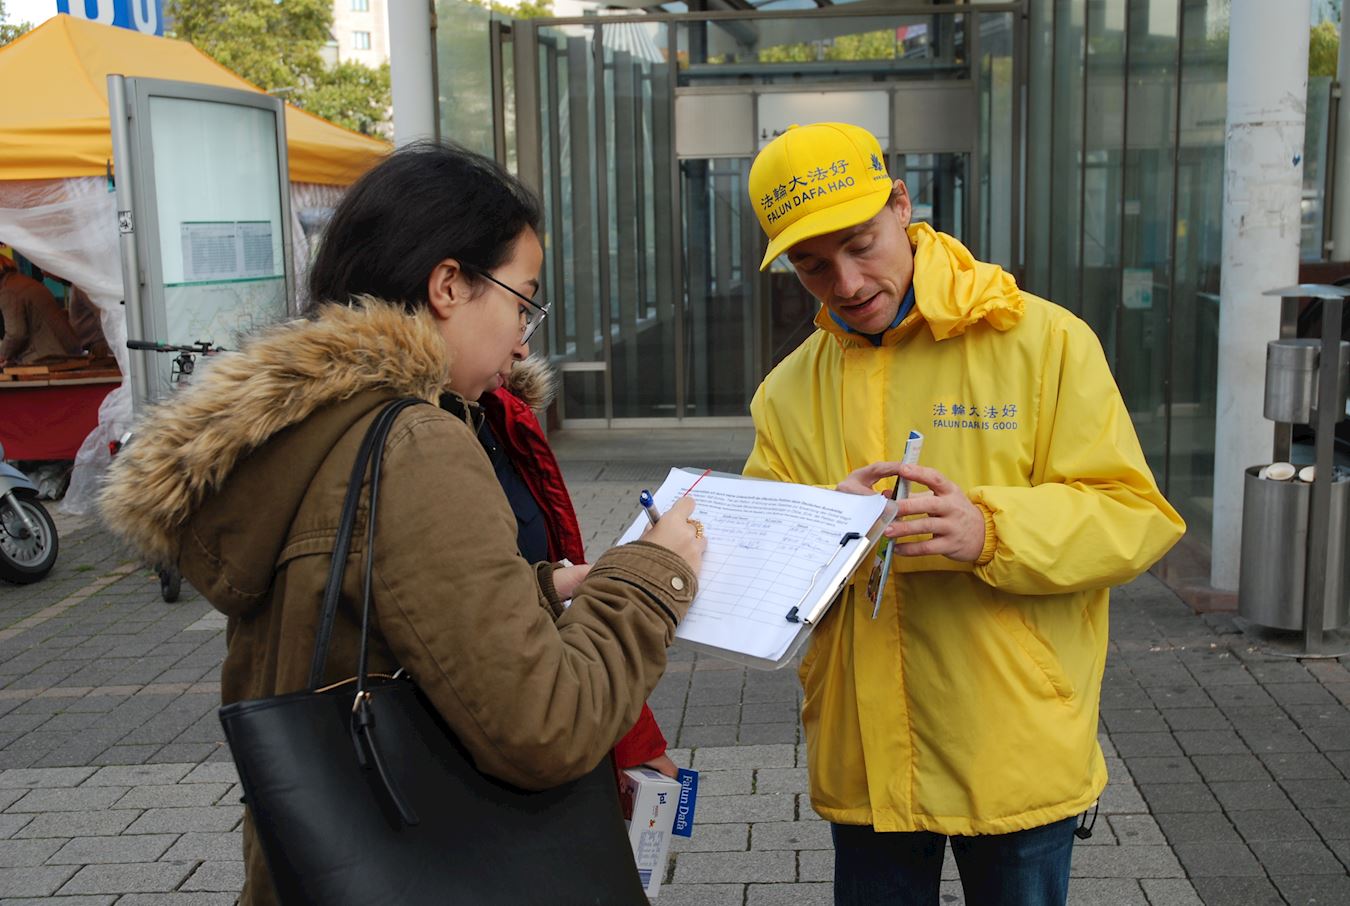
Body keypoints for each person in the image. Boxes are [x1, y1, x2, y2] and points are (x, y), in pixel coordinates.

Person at [99, 142, 707, 906]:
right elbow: (546, 725)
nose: (524, 339)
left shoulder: (311, 424)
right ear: (449, 285)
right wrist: (651, 576)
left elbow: (373, 606)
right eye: (522, 301)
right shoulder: (414, 441)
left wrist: (538, 588)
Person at [743, 122, 1185, 906]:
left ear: (902, 204)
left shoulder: (1044, 342)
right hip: (864, 753)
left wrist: (990, 530)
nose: (847, 282)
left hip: (1012, 746)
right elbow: (762, 560)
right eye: (812, 266)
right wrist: (819, 529)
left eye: (861, 245)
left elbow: (1133, 515)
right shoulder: (787, 391)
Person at [475, 358, 678, 776]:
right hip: (522, 746)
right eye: (519, 322)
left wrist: (552, 584)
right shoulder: (424, 440)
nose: (522, 347)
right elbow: (473, 630)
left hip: (562, 707)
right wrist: (651, 575)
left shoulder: (496, 412)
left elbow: (497, 598)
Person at [0, 258, 83, 367]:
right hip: (65, 351)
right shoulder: (20, 281)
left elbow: (16, 334)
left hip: (47, 356)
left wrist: (2, 355)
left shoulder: (8, 291)